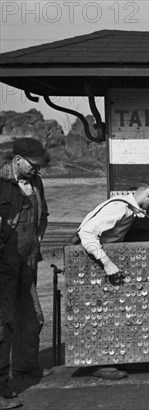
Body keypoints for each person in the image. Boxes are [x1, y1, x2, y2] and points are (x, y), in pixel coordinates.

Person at [76, 175, 149, 379]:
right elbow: (87, 233)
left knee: (107, 312)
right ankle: (99, 364)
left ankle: (108, 359)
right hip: (94, 261)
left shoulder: (128, 208)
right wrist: (107, 262)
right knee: (97, 314)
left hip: (99, 260)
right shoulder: (119, 208)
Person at [1, 138, 52, 404]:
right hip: (5, 262)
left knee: (32, 316)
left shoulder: (36, 182)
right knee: (4, 322)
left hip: (28, 259)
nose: (36, 170)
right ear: (18, 160)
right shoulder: (2, 184)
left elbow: (42, 217)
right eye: (33, 165)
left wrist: (38, 240)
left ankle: (24, 366)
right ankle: (2, 383)